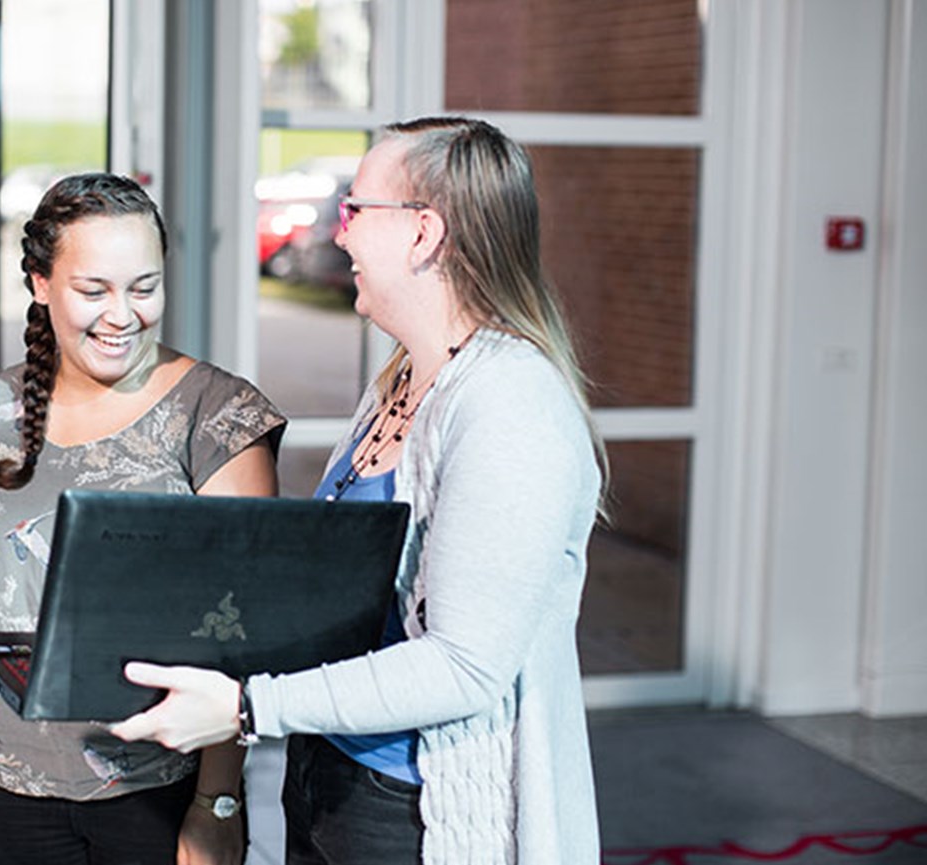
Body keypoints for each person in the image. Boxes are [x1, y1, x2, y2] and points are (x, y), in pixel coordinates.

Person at [111, 117, 606, 865]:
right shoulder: (403, 379)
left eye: (355, 208)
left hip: (412, 809)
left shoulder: (510, 405)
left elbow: (464, 665)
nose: (339, 234)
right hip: (330, 771)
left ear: (423, 233)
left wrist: (248, 707)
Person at [0, 172, 286, 865]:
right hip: (2, 787)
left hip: (160, 791)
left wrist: (217, 802)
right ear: (40, 283)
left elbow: (241, 627)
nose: (122, 315)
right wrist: (13, 676)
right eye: (93, 290)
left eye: (143, 287)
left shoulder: (217, 416)